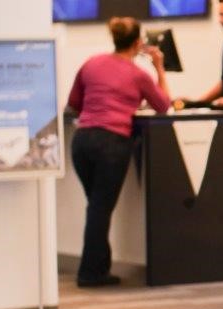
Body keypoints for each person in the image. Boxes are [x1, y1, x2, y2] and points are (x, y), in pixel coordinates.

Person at [67, 17, 170, 287]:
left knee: (97, 207)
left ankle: (99, 267)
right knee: (100, 208)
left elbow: (74, 102)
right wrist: (159, 68)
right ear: (138, 43)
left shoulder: (91, 63)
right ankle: (89, 273)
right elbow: (163, 105)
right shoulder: (138, 75)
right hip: (112, 143)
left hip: (82, 141)